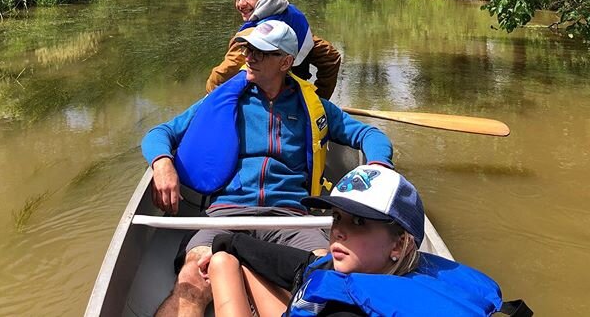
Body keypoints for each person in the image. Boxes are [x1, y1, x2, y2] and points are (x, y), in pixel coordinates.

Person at [141, 21, 393, 316]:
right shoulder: (225, 102)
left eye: (261, 52)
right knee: (192, 280)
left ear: (286, 62)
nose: (250, 57)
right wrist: (162, 163)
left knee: (326, 278)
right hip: (226, 214)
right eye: (248, 49)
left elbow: (369, 135)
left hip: (290, 218)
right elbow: (160, 133)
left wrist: (378, 166)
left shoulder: (314, 106)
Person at [202, 165, 532, 317]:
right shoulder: (375, 269)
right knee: (227, 259)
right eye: (337, 220)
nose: (339, 232)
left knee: (223, 266)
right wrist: (228, 244)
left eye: (359, 223)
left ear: (398, 245)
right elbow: (300, 267)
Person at [206, 0, 341, 100]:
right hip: (294, 100)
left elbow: (219, 78)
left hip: (263, 105)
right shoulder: (290, 21)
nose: (241, 4)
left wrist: (210, 99)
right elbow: (331, 57)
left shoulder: (250, 35)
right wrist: (318, 99)